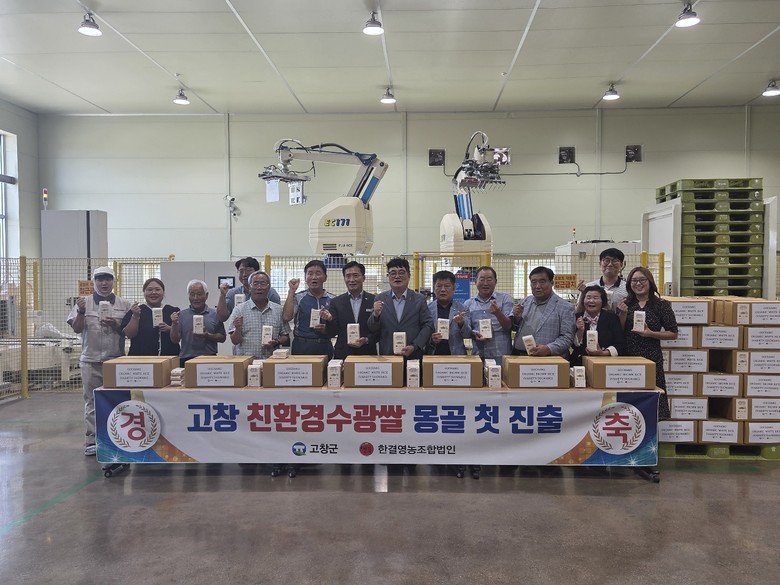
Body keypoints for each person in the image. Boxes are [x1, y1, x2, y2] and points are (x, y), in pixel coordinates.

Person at [67, 266, 132, 456]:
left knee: (118, 400)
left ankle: (118, 437)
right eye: (100, 279)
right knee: (91, 401)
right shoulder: (83, 303)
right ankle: (92, 439)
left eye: (108, 279)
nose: (104, 283)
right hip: (90, 360)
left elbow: (129, 332)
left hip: (115, 361)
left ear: (113, 281)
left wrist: (116, 324)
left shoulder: (124, 304)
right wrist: (81, 311)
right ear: (94, 282)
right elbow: (77, 329)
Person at [617, 266, 678, 419]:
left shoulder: (661, 305)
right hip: (628, 357)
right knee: (629, 402)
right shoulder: (625, 303)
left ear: (650, 281)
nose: (638, 283)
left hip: (652, 358)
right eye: (634, 281)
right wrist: (622, 314)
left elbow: (673, 333)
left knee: (653, 399)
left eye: (642, 280)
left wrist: (651, 333)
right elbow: (620, 332)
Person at [367, 257, 433, 360]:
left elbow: (428, 325)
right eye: (393, 273)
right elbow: (372, 328)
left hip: (413, 356)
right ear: (388, 276)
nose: (397, 276)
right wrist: (375, 315)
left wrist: (415, 346)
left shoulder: (419, 299)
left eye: (401, 273)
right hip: (388, 355)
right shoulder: (380, 298)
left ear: (409, 275)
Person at [512, 266, 576, 358]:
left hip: (547, 358)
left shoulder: (565, 307)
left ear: (552, 283)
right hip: (518, 354)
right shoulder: (525, 302)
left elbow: (567, 337)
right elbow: (514, 328)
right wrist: (516, 319)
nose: (537, 286)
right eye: (534, 282)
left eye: (542, 282)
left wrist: (549, 349)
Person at [225, 271, 290, 359]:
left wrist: (276, 342)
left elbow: (285, 336)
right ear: (249, 287)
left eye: (263, 284)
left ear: (269, 287)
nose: (259, 287)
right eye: (255, 284)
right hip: (246, 361)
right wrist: (238, 328)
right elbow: (235, 341)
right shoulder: (239, 310)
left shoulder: (278, 310)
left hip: (271, 360)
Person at [320, 261, 378, 359]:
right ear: (344, 279)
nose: (351, 280)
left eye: (356, 275)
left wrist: (367, 339)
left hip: (367, 353)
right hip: (343, 353)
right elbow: (332, 332)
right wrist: (329, 319)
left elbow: (379, 329)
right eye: (348, 276)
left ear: (363, 278)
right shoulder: (336, 302)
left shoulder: (374, 300)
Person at [283, 259, 336, 358]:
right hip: (302, 345)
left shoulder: (333, 299)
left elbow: (337, 325)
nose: (314, 277)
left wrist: (327, 329)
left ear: (325, 278)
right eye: (310, 274)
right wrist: (291, 291)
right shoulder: (299, 297)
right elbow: (286, 317)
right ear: (305, 277)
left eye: (318, 273)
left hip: (325, 345)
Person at [170, 279, 226, 367]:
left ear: (206, 296)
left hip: (209, 359)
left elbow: (222, 338)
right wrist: (174, 324)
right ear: (188, 296)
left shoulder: (215, 314)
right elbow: (175, 340)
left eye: (199, 294)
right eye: (192, 294)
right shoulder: (181, 315)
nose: (196, 298)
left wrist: (208, 335)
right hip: (186, 359)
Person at [464, 266, 514, 360]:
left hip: (501, 355)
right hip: (477, 355)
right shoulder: (468, 303)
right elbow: (467, 329)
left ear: (495, 282)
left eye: (489, 279)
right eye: (482, 279)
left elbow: (509, 327)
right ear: (475, 281)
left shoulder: (505, 299)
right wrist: (474, 333)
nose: (485, 283)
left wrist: (498, 313)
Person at [121, 278, 180, 356]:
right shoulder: (136, 310)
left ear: (163, 292)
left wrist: (170, 328)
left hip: (169, 357)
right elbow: (129, 334)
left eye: (157, 289)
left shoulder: (173, 311)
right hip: (141, 358)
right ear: (144, 292)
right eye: (149, 290)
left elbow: (178, 337)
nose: (153, 292)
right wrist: (135, 316)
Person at [569, 285, 625, 367]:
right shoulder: (576, 317)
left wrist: (603, 353)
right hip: (579, 363)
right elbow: (572, 345)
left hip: (605, 363)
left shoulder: (612, 318)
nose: (591, 301)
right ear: (583, 300)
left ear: (603, 301)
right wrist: (580, 331)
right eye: (588, 297)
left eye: (595, 298)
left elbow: (620, 344)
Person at [217, 257, 280, 322]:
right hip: (239, 328)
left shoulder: (270, 292)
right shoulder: (233, 293)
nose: (244, 274)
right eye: (241, 271)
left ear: (257, 272)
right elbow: (222, 318)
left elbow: (278, 315)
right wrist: (222, 295)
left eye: (248, 270)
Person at [426, 270, 471, 355]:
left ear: (454, 288)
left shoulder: (462, 308)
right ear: (434, 289)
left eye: (447, 286)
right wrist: (431, 340)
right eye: (439, 286)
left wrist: (461, 324)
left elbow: (468, 334)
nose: (443, 290)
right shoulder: (427, 309)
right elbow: (421, 335)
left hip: (456, 356)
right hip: (433, 356)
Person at [576, 247, 628, 312]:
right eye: (606, 260)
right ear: (600, 264)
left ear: (621, 264)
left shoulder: (627, 288)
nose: (610, 264)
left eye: (615, 261)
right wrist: (583, 293)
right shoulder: (589, 287)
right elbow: (578, 311)